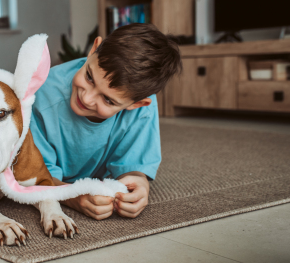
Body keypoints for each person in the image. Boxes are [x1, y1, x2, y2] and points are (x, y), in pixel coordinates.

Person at [30, 23, 181, 220]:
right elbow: (32, 177)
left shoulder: (143, 106)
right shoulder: (41, 94)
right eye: (90, 77)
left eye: (108, 100)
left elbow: (134, 169)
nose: (87, 98)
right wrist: (72, 196)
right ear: (93, 49)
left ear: (136, 104)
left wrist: (139, 184)